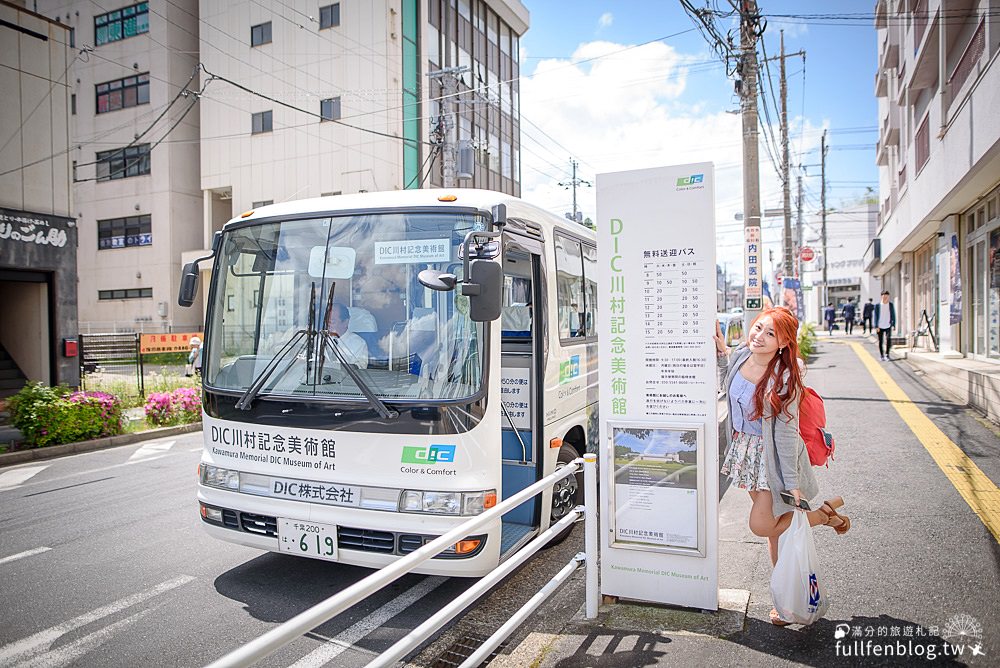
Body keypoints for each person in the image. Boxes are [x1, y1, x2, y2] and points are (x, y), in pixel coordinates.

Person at [715, 307, 850, 627]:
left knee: (762, 525)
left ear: (784, 343)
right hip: (744, 453)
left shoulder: (785, 377)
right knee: (776, 536)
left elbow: (788, 432)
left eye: (770, 334)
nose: (759, 336)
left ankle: (820, 515)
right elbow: (728, 386)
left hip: (772, 460)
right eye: (758, 328)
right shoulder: (741, 356)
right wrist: (722, 353)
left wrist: (792, 485)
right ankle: (787, 603)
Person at [324, 302, 369, 368]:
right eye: (327, 321)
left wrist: (337, 366)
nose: (328, 325)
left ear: (345, 322)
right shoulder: (319, 339)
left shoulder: (359, 344)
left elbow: (360, 370)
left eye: (332, 322)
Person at [874, 291, 895, 361]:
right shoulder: (877, 305)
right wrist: (876, 326)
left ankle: (887, 354)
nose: (885, 298)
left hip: (888, 325)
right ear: (881, 296)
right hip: (880, 326)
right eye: (884, 296)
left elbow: (893, 314)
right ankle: (881, 355)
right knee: (880, 341)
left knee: (888, 339)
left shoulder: (890, 305)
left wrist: (894, 324)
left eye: (887, 296)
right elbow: (875, 316)